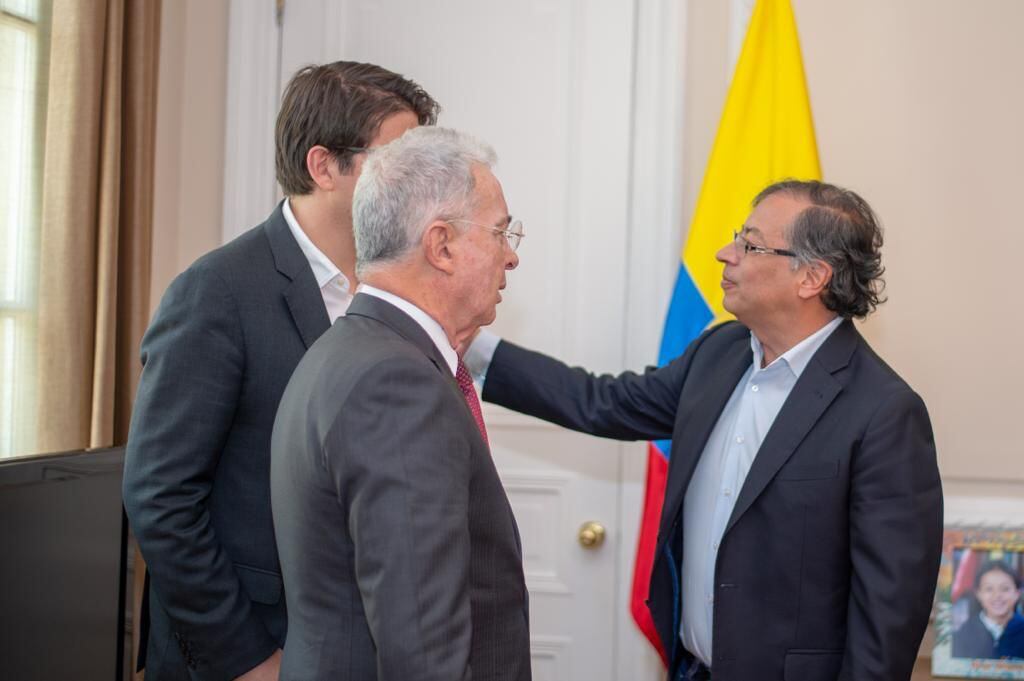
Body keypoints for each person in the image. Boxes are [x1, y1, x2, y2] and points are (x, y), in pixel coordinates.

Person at [464, 180, 943, 681]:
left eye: (749, 243)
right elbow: (604, 402)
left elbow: (887, 617)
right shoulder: (719, 352)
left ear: (812, 277)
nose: (724, 254)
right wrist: (466, 342)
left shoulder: (885, 413)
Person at [123, 62, 438, 681]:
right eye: (397, 163)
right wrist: (247, 659)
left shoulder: (395, 289)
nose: (418, 186)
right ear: (324, 166)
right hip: (250, 650)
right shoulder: (216, 291)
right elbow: (159, 497)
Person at [270, 126, 529, 681]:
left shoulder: (349, 349)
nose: (511, 258)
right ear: (441, 245)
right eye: (502, 234)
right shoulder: (396, 384)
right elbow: (422, 647)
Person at [953, 560, 1024, 660]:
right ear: (978, 594)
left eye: (1005, 589)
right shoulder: (962, 635)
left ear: (1017, 593)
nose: (997, 595)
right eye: (989, 589)